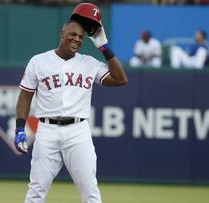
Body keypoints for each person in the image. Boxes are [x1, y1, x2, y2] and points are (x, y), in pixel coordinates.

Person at [14, 3, 128, 203]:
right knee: (36, 192)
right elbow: (25, 96)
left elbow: (120, 79)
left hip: (78, 131)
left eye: (81, 37)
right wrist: (19, 128)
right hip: (47, 131)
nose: (76, 39)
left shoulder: (90, 63)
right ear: (62, 33)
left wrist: (104, 46)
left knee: (90, 192)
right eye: (72, 34)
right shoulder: (38, 61)